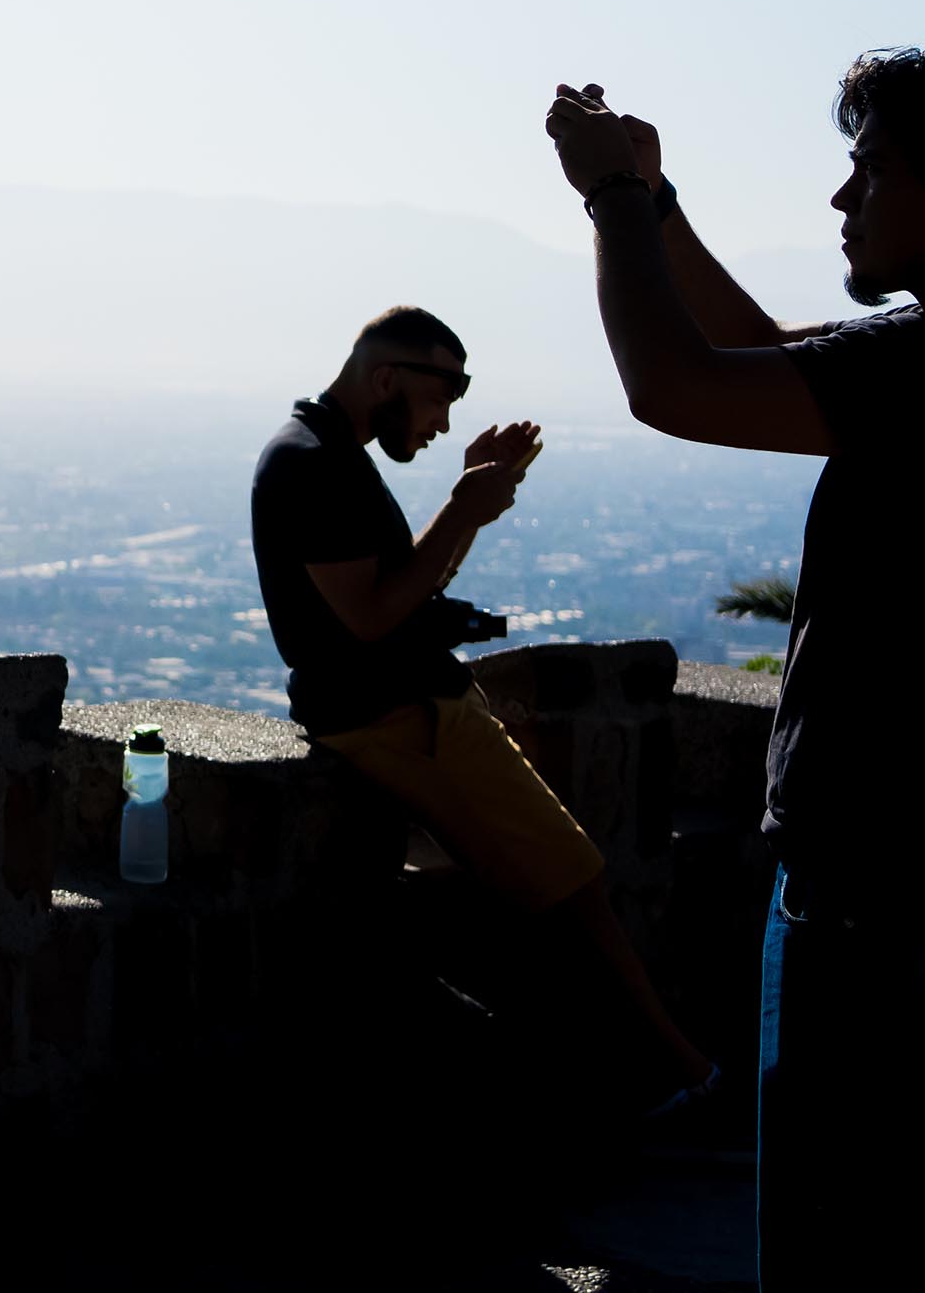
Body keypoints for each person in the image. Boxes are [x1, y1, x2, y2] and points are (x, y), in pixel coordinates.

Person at [544, 47, 925, 1289]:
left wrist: (612, 204)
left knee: (869, 1250)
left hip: (900, 910)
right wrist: (662, 199)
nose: (842, 200)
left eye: (870, 169)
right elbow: (762, 349)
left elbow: (677, 384)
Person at [251, 306, 718, 1113]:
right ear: (386, 378)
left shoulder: (326, 455)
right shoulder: (309, 465)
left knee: (553, 886)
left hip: (408, 710)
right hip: (401, 721)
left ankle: (634, 1072)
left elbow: (406, 593)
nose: (439, 423)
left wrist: (468, 506)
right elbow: (367, 618)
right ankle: (679, 1073)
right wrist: (461, 510)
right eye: (438, 400)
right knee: (573, 882)